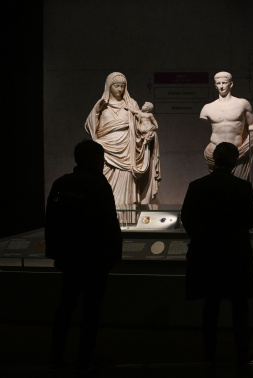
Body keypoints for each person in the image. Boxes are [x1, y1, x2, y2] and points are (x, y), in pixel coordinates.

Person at [45, 140, 122, 373]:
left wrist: (55, 252)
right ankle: (85, 355)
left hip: (70, 256)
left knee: (66, 305)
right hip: (93, 258)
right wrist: (112, 254)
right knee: (91, 309)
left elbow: (52, 221)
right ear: (95, 160)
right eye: (101, 158)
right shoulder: (98, 184)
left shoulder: (62, 183)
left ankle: (56, 353)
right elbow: (108, 223)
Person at [181, 142, 253, 367]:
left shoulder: (197, 186)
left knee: (211, 305)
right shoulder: (242, 187)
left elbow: (188, 218)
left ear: (214, 159)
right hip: (235, 255)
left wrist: (202, 237)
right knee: (239, 306)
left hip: (206, 254)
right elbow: (252, 219)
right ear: (235, 161)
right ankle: (242, 351)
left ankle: (209, 352)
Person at [85, 72, 161, 207]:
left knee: (126, 184)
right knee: (104, 183)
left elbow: (141, 126)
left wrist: (148, 135)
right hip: (106, 150)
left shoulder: (131, 104)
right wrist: (97, 110)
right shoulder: (102, 106)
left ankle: (127, 218)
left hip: (127, 150)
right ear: (109, 86)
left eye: (122, 86)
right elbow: (89, 126)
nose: (120, 89)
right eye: (116, 86)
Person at [200, 71, 253, 179]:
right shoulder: (207, 108)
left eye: (224, 83)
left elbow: (251, 127)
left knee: (238, 190)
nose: (221, 86)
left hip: (238, 152)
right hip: (215, 154)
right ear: (215, 86)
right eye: (218, 83)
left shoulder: (242, 104)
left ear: (231, 84)